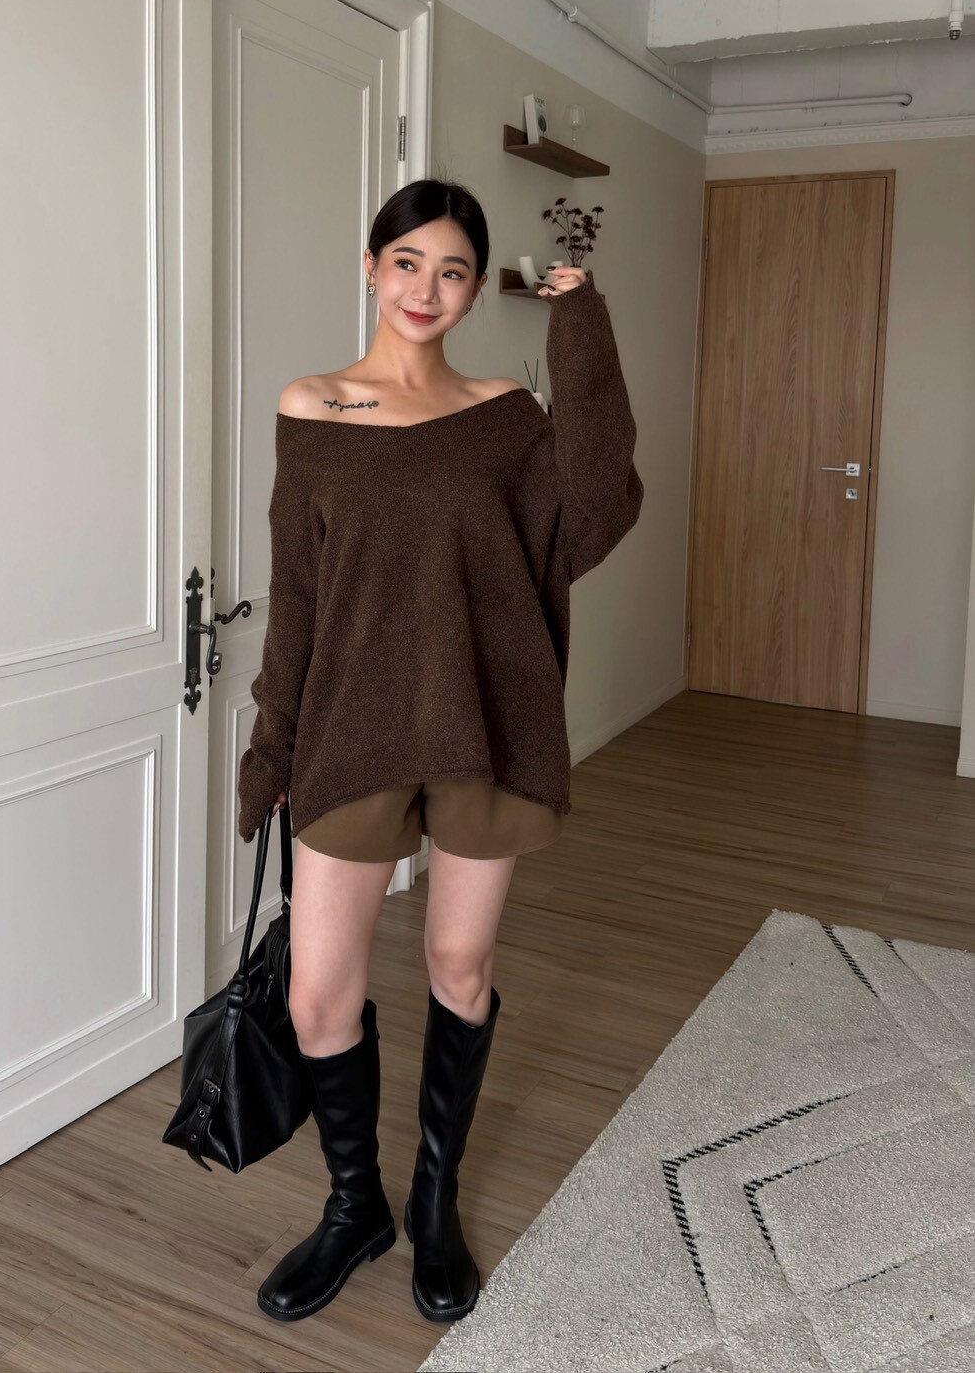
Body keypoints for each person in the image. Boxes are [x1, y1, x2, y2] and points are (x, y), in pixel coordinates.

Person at [237, 177, 643, 1326]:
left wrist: (581, 325)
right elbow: (298, 592)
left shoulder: (503, 411)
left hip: (484, 716)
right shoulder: (316, 405)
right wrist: (271, 743)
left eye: (453, 270)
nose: (428, 288)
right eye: (408, 261)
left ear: (471, 291)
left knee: (459, 967)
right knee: (318, 993)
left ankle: (432, 1203)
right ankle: (353, 1206)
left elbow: (597, 506)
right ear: (372, 266)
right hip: (350, 724)